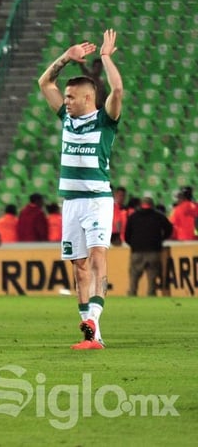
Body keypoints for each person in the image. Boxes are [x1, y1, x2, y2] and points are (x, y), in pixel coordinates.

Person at [38, 29, 123, 350]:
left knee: (98, 256)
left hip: (98, 201)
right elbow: (45, 84)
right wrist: (65, 57)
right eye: (67, 97)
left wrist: (104, 56)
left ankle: (95, 318)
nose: (67, 100)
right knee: (79, 268)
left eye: (72, 96)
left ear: (89, 98)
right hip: (71, 203)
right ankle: (92, 335)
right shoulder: (67, 120)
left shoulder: (106, 121)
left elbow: (117, 88)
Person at [124, 197, 173, 297]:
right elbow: (169, 229)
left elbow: (126, 235)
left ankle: (132, 294)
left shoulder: (133, 217)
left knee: (134, 276)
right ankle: (151, 295)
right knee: (152, 277)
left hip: (137, 252)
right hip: (154, 251)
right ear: (152, 205)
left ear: (140, 205)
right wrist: (161, 240)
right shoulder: (159, 216)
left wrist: (134, 244)